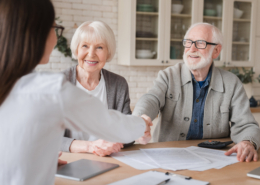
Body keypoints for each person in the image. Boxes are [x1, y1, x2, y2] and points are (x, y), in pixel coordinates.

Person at [0, 0, 152, 185]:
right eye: (54, 29)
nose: (56, 38)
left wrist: (39, 157)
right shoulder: (52, 89)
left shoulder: (16, 85)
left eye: (99, 47)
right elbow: (109, 123)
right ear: (36, 34)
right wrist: (141, 123)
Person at [133, 22, 260, 162]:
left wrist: (248, 142)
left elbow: (246, 124)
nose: (192, 49)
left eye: (200, 43)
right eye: (188, 43)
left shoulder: (232, 83)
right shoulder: (168, 76)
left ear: (216, 51)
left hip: (216, 159)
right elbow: (151, 99)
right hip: (170, 157)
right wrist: (139, 119)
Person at [61, 21, 146, 157]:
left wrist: (137, 130)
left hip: (109, 159)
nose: (91, 54)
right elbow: (47, 138)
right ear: (77, 50)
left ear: (108, 52)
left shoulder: (118, 84)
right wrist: (91, 147)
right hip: (69, 159)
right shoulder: (59, 84)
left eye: (99, 47)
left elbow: (127, 135)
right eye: (85, 46)